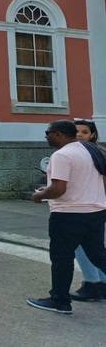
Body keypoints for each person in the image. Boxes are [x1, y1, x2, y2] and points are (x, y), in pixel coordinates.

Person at [27, 120, 106, 314]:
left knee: (62, 257)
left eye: (48, 133)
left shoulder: (62, 155)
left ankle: (60, 301)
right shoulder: (91, 151)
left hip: (68, 214)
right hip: (95, 211)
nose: (46, 136)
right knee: (98, 255)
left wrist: (40, 195)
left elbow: (59, 189)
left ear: (60, 134)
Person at [70, 119, 106, 301]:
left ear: (92, 134)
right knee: (96, 247)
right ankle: (100, 283)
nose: (79, 135)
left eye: (84, 132)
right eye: (76, 132)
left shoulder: (93, 153)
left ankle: (92, 283)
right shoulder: (96, 152)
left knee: (83, 246)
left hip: (89, 207)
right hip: (94, 205)